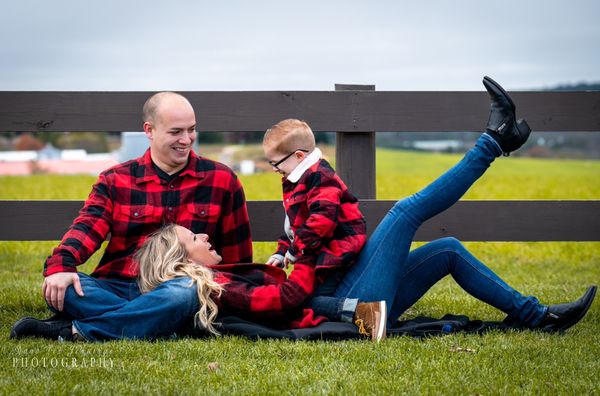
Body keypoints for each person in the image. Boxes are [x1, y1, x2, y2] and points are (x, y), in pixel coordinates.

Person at [137, 76, 596, 339]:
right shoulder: (218, 286)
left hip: (353, 291)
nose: (203, 236)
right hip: (359, 306)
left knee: (448, 248)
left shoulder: (229, 272)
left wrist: (288, 250)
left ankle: (537, 317)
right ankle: (493, 142)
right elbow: (292, 300)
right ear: (186, 263)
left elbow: (295, 256)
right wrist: (302, 253)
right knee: (404, 213)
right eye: (193, 240)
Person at [10, 91, 253, 341]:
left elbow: (238, 258)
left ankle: (73, 330)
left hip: (179, 286)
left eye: (191, 130)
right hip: (118, 285)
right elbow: (88, 226)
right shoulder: (116, 179)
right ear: (149, 130)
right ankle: (163, 324)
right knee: (64, 288)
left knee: (187, 293)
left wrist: (233, 291)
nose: (186, 139)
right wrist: (61, 265)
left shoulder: (222, 180)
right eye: (175, 132)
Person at [262, 118, 374, 330]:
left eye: (275, 163)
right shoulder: (297, 176)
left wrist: (295, 250)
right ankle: (348, 306)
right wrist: (281, 252)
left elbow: (321, 220)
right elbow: (294, 225)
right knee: (301, 297)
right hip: (317, 251)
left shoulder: (320, 176)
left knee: (307, 301)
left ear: (298, 156)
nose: (274, 168)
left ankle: (361, 310)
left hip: (337, 250)